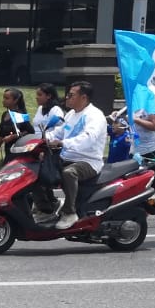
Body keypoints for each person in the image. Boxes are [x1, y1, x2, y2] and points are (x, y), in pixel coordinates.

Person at [41, 81, 106, 230]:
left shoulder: (94, 116)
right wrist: (42, 138)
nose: (67, 98)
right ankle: (45, 208)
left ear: (83, 97)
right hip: (66, 157)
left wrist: (63, 143)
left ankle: (70, 212)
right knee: (38, 169)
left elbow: (88, 138)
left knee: (69, 173)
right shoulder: (71, 114)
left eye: (71, 95)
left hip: (88, 161)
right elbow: (58, 132)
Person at [0, 88, 34, 166]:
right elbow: (2, 136)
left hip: (18, 151)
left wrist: (13, 136)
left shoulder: (20, 115)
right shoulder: (4, 114)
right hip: (8, 151)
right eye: (4, 98)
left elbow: (31, 131)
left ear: (15, 101)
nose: (3, 100)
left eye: (7, 98)